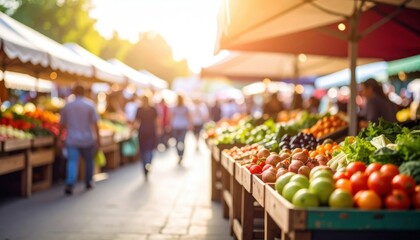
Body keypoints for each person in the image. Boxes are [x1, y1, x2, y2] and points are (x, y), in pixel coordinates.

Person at [60, 84, 100, 195]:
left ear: (74, 92)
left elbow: (62, 124)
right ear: (84, 92)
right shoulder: (90, 105)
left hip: (72, 138)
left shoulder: (68, 105)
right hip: (87, 138)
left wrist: (59, 137)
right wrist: (98, 138)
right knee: (89, 161)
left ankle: (70, 183)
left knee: (72, 161)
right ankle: (88, 182)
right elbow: (96, 124)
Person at [134, 95, 160, 181]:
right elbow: (156, 121)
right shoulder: (152, 109)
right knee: (150, 149)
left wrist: (133, 130)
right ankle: (148, 163)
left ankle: (145, 164)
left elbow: (136, 122)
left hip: (142, 131)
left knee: (143, 150)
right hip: (151, 130)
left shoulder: (139, 109)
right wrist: (158, 129)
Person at [168, 95, 191, 164]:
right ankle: (181, 155)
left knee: (178, 141)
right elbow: (188, 116)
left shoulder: (175, 107)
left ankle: (179, 154)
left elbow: (171, 116)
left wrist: (170, 124)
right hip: (182, 125)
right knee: (182, 141)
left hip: (176, 125)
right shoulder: (184, 107)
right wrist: (190, 124)